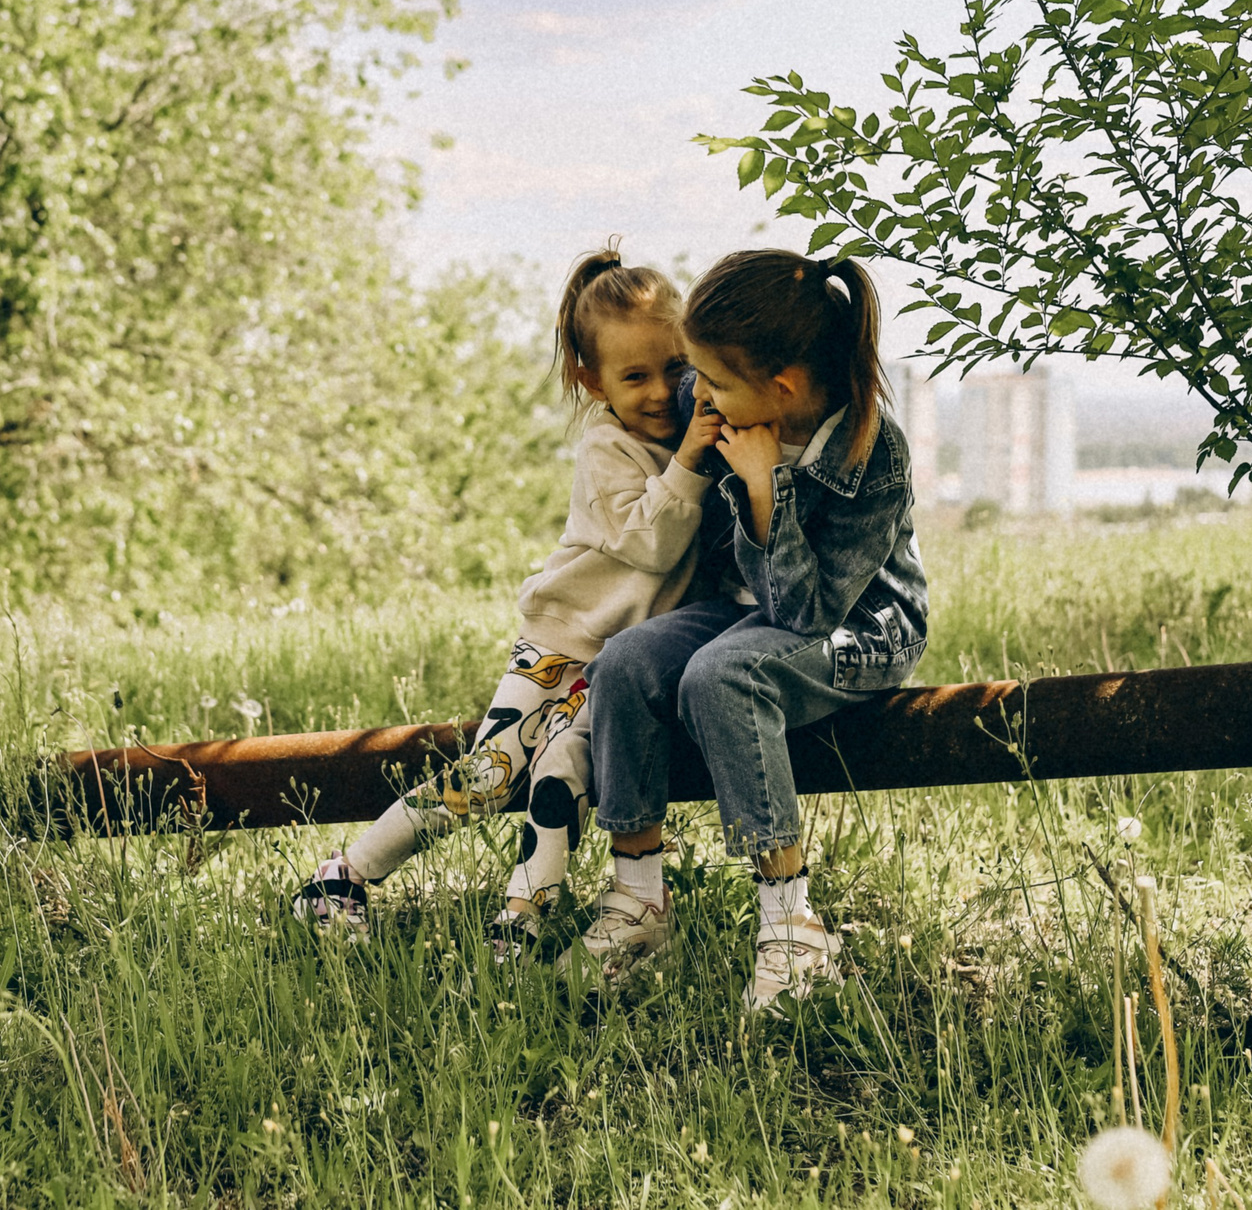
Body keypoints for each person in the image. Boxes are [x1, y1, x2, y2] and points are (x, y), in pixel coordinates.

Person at [292, 245, 722, 956]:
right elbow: (652, 544)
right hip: (559, 641)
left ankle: (519, 921)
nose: (657, 391)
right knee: (488, 775)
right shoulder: (607, 448)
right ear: (592, 381)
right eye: (634, 375)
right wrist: (689, 463)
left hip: (621, 663)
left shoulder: (691, 435)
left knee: (561, 774)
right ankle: (343, 874)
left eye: (674, 369)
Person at [567, 249, 929, 1014]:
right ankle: (638, 898)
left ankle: (792, 924)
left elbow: (805, 613)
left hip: (856, 628)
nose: (695, 398)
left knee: (722, 675)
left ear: (784, 388)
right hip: (747, 603)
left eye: (713, 386)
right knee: (628, 660)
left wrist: (766, 489)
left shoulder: (873, 450)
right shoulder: (726, 390)